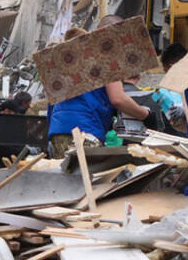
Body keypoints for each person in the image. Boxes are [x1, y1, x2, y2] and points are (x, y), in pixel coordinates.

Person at [47, 19, 158, 159]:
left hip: (58, 132)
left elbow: (52, 102)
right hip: (85, 132)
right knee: (88, 179)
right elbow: (118, 99)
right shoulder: (107, 57)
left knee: (68, 179)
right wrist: (146, 115)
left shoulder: (67, 62)